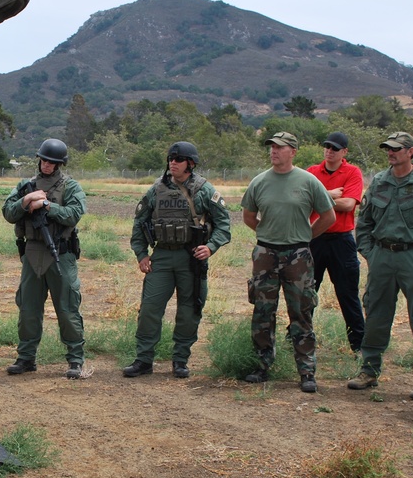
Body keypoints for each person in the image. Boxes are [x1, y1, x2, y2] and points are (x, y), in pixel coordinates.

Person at [348, 132, 413, 401]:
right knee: (376, 313)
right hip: (381, 257)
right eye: (388, 149)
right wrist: (369, 252)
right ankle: (369, 370)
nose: (391, 153)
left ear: (411, 152)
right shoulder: (380, 181)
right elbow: (365, 222)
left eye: (396, 149)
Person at [125, 142, 231, 378]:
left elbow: (224, 225)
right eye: (171, 158)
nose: (173, 162)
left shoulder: (204, 190)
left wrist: (210, 247)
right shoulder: (155, 190)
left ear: (190, 164)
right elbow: (139, 224)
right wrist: (142, 255)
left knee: (189, 309)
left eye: (179, 159)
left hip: (191, 257)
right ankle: (144, 360)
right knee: (150, 309)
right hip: (161, 256)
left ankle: (180, 360)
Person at [241, 131, 336, 393]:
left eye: (280, 147)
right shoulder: (259, 182)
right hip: (265, 254)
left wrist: (306, 237)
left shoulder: (308, 181)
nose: (274, 151)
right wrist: (268, 234)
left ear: (293, 152)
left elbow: (329, 216)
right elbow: (249, 216)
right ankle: (261, 365)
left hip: (298, 256)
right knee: (262, 310)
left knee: (301, 312)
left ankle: (306, 371)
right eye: (271, 147)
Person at [2, 138, 87, 379]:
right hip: (32, 253)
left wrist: (47, 204)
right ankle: (26, 357)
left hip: (61, 254)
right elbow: (8, 212)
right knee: (28, 308)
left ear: (60, 164)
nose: (47, 165)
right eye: (44, 160)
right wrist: (26, 201)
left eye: (53, 162)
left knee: (67, 308)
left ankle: (75, 359)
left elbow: (74, 214)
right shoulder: (25, 185)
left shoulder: (70, 187)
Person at [306, 131, 365, 353]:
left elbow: (349, 204)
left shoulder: (352, 172)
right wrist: (329, 194)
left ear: (344, 152)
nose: (329, 151)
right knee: (305, 292)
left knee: (347, 294)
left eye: (335, 148)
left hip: (341, 241)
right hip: (314, 238)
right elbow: (302, 198)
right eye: (327, 147)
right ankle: (296, 340)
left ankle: (359, 346)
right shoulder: (312, 172)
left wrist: (317, 198)